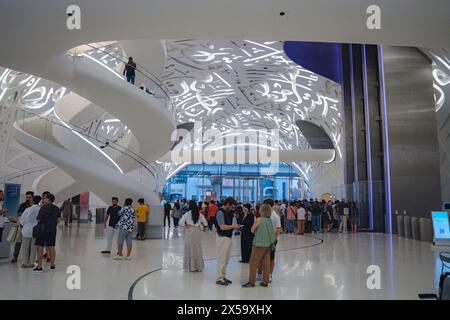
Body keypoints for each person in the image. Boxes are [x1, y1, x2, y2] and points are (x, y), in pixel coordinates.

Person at [242, 204, 275, 288]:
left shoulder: (259, 220)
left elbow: (252, 230)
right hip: (268, 244)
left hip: (259, 244)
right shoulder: (270, 220)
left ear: (262, 211)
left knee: (253, 263)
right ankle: (265, 281)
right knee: (266, 263)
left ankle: (251, 282)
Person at [215, 197, 240, 286]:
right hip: (222, 238)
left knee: (226, 259)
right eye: (232, 207)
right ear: (228, 204)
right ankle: (219, 278)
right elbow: (222, 226)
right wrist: (234, 227)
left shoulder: (228, 212)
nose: (232, 209)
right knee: (222, 259)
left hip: (228, 237)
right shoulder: (220, 212)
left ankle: (223, 276)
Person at [33, 193, 60, 273]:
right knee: (51, 247)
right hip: (52, 230)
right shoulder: (56, 208)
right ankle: (52, 265)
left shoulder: (43, 208)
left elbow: (38, 219)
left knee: (40, 247)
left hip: (42, 229)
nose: (43, 200)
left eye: (44, 198)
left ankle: (40, 267)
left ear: (48, 199)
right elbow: (58, 220)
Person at [256, 199, 281, 283]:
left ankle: (269, 275)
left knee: (271, 258)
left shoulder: (275, 216)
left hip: (271, 240)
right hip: (263, 240)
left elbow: (278, 230)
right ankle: (260, 274)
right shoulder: (264, 215)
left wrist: (273, 240)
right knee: (261, 257)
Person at [179, 201, 208, 272]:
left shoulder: (187, 214)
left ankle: (191, 267)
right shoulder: (199, 214)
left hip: (189, 231)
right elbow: (206, 223)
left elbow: (181, 223)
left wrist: (186, 225)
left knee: (190, 247)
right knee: (197, 248)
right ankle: (198, 266)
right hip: (197, 232)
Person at [10, 191, 34, 263]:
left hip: (30, 228)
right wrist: (23, 213)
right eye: (26, 197)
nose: (27, 199)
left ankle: (29, 257)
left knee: (30, 243)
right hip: (21, 226)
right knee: (18, 242)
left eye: (29, 197)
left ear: (32, 197)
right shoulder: (22, 205)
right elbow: (18, 214)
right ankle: (15, 256)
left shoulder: (34, 206)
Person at [19, 195, 41, 268]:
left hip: (26, 230)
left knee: (25, 247)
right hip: (36, 231)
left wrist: (23, 225)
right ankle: (32, 262)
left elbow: (22, 220)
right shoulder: (40, 209)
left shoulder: (27, 209)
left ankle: (24, 263)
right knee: (33, 248)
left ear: (33, 200)